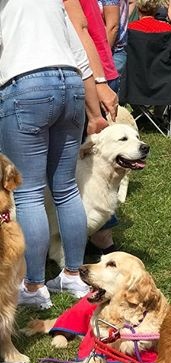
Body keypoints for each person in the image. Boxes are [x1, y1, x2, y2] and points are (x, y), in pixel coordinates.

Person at [0, 0, 108, 308]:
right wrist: (93, 110)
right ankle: (73, 275)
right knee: (66, 188)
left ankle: (33, 287)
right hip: (70, 84)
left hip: (24, 86)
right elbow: (80, 56)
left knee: (29, 193)